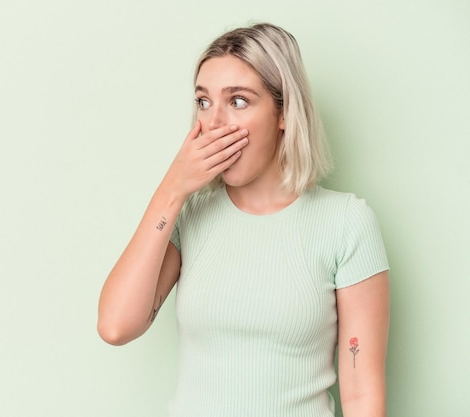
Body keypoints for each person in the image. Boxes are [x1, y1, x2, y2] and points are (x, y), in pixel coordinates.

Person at [97, 22, 390, 417]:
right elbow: (115, 326)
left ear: (284, 112)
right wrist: (172, 189)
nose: (214, 123)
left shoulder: (346, 223)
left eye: (238, 101)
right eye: (203, 101)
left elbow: (362, 398)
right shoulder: (190, 216)